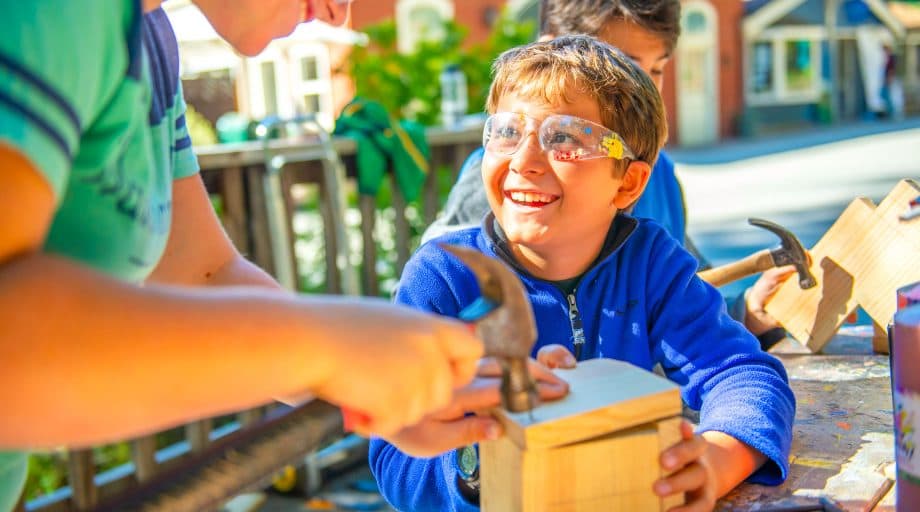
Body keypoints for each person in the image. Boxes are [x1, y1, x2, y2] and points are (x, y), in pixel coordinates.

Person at [0, 1, 483, 509]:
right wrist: (327, 346)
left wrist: (393, 386)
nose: (340, 13)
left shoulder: (150, 37)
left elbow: (204, 271)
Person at [370, 35, 796, 511]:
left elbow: (742, 373)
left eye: (565, 138)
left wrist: (716, 462)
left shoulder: (651, 263)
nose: (524, 161)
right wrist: (485, 453)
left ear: (628, 182)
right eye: (508, 131)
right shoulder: (443, 278)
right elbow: (393, 457)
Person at [421, 0, 794, 351]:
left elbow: (684, 296)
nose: (644, 89)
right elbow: (442, 313)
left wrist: (745, 313)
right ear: (556, 51)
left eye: (657, 69)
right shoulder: (507, 181)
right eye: (623, 64)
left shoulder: (657, 174)